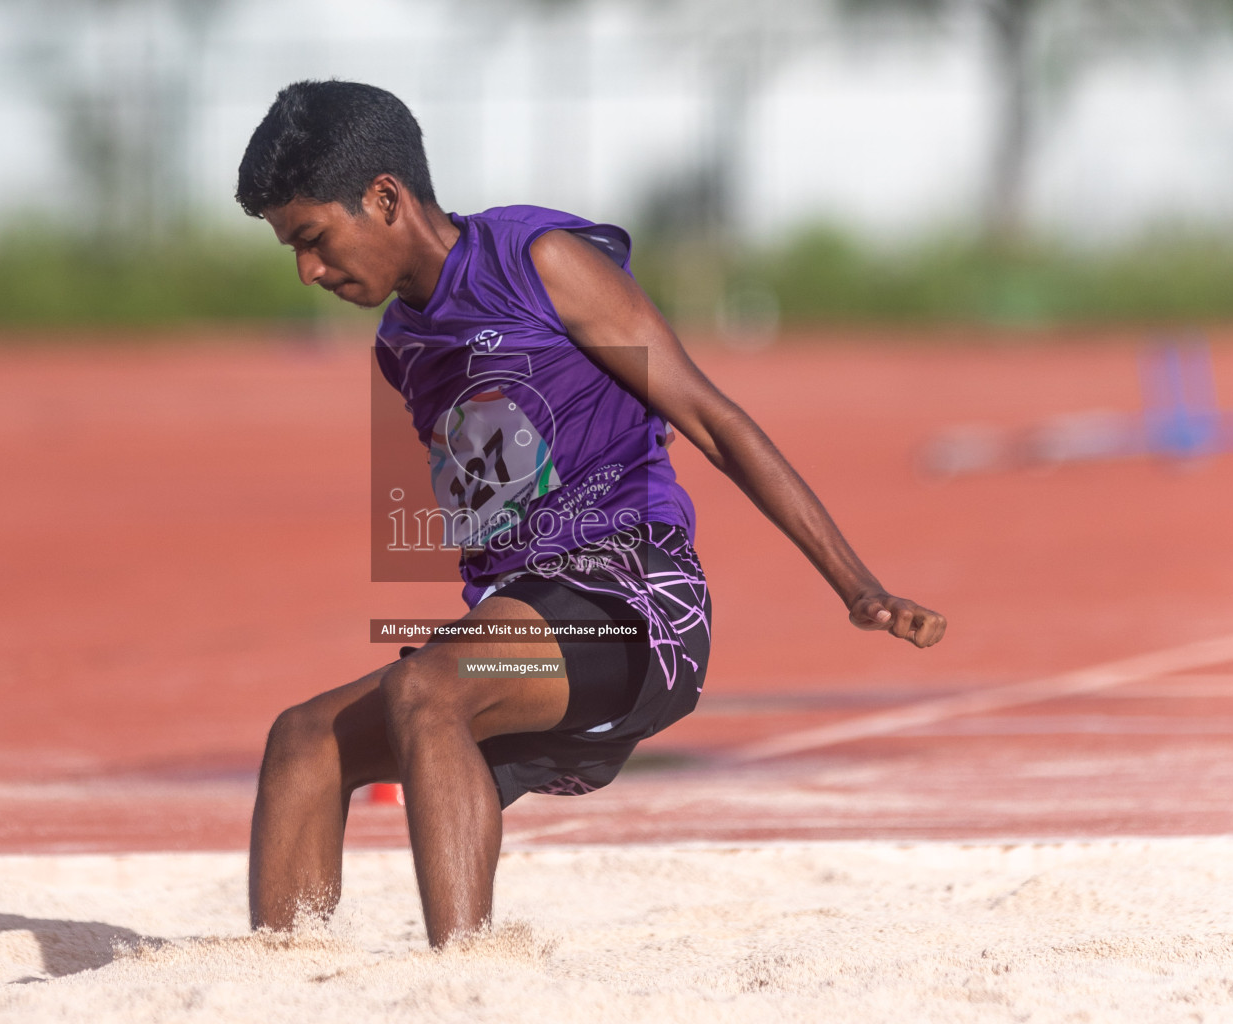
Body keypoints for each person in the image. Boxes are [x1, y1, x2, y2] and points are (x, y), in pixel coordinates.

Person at [234, 79, 946, 949]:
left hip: (636, 602)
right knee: (304, 741)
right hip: (525, 625)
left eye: (311, 238)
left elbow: (714, 421)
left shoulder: (538, 261)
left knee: (428, 689)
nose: (307, 271)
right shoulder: (399, 347)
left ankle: (468, 983)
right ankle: (272, 982)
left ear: (383, 198)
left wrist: (857, 587)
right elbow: (489, 505)